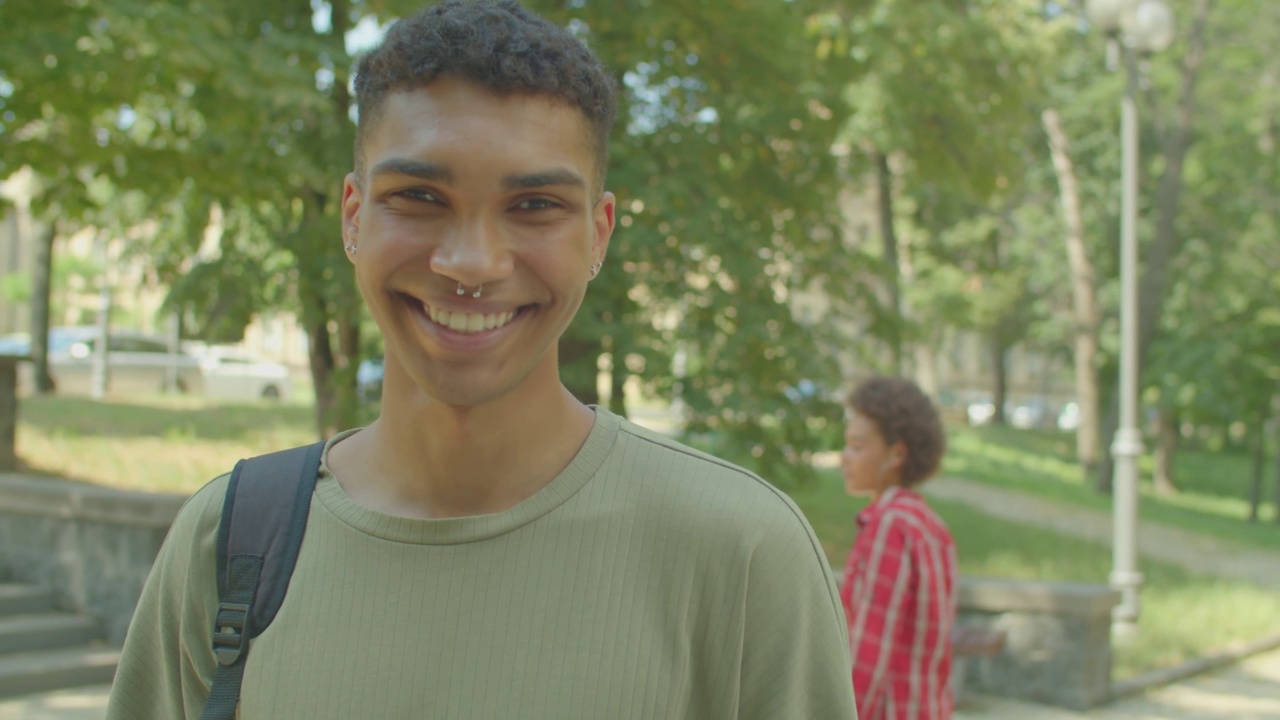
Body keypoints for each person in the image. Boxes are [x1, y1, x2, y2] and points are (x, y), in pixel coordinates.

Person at [106, 2, 856, 718]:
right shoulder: (230, 542)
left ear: (598, 235)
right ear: (354, 218)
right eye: (420, 196)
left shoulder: (741, 553)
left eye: (534, 207)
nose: (471, 261)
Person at [839, 376, 957, 720]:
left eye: (857, 446)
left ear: (897, 453)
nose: (845, 457)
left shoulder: (889, 526)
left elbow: (868, 652)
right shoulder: (930, 524)